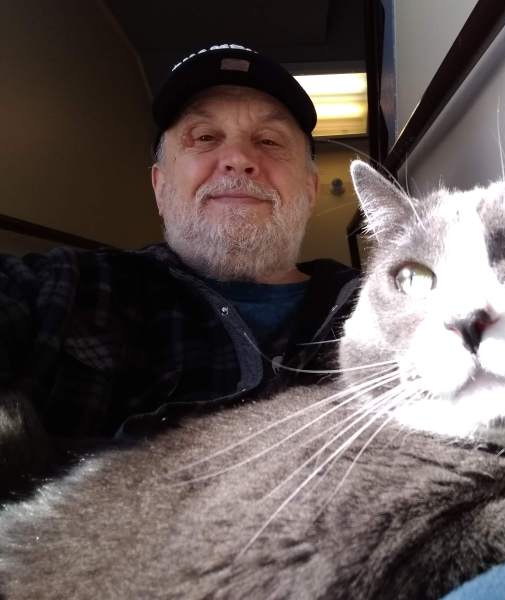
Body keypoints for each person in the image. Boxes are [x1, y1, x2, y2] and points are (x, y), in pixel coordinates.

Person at [0, 44, 360, 495]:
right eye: (205, 137)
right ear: (161, 185)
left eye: (269, 141)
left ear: (309, 190)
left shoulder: (388, 310)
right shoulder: (72, 286)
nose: (238, 159)